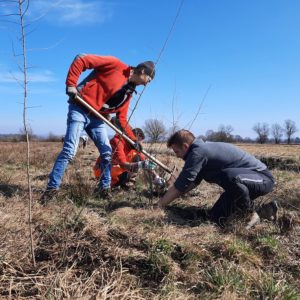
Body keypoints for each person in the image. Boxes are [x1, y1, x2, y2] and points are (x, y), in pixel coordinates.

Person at [41, 54, 155, 202]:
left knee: (107, 153)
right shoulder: (116, 65)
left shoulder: (129, 92)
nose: (147, 84)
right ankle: (51, 190)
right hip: (80, 108)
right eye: (149, 80)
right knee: (70, 150)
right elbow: (81, 59)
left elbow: (121, 119)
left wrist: (134, 141)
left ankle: (104, 189)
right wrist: (71, 84)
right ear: (143, 72)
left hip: (97, 118)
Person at [157, 129, 275, 227]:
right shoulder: (200, 151)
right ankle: (266, 211)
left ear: (185, 146)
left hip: (262, 178)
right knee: (215, 217)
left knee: (229, 176)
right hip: (239, 185)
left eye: (177, 152)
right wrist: (170, 196)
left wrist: (159, 205)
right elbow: (190, 184)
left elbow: (182, 183)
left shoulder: (198, 152)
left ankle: (249, 213)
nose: (177, 156)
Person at [93, 127, 163, 189]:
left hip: (117, 170)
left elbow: (145, 161)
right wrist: (140, 164)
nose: (139, 144)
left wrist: (156, 176)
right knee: (134, 164)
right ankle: (109, 186)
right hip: (102, 170)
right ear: (136, 137)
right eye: (139, 141)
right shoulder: (117, 141)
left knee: (138, 157)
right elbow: (123, 164)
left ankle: (126, 183)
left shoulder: (134, 146)